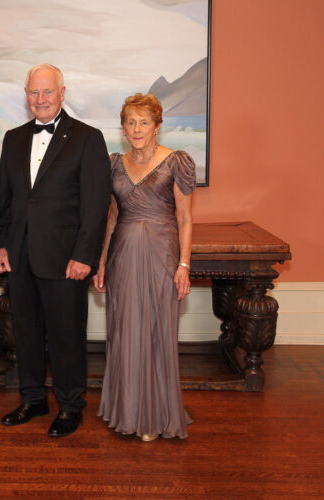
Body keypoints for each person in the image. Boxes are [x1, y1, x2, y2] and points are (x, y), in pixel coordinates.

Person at [0, 64, 111, 437]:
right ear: (25, 95)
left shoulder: (87, 138)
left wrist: (85, 256)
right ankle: (32, 399)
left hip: (65, 259)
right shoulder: (12, 139)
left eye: (47, 92)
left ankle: (70, 405)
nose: (40, 100)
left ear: (62, 93)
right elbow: (4, 200)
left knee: (66, 335)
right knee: (25, 332)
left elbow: (96, 205)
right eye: (33, 93)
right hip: (20, 254)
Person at [93, 93, 195, 441]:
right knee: (124, 331)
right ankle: (126, 409)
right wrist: (103, 260)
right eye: (130, 122)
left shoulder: (176, 161)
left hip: (161, 256)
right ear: (123, 127)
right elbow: (111, 216)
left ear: (158, 125)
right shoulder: (114, 164)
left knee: (155, 331)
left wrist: (184, 264)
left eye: (144, 122)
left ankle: (154, 415)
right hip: (122, 256)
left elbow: (185, 218)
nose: (137, 129)